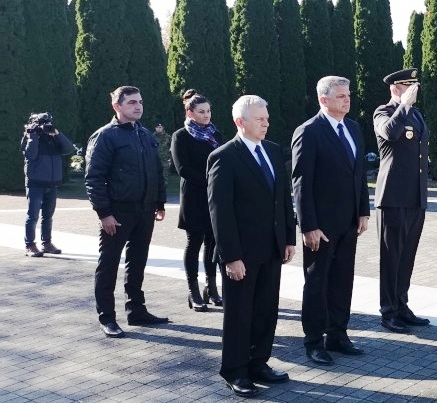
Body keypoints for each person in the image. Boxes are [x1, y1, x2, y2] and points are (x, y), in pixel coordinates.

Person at [208, 95, 296, 396]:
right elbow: (220, 211)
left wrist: (288, 238)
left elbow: (283, 198)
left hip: (271, 248)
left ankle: (259, 363)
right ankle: (235, 370)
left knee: (266, 311)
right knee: (239, 314)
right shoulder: (224, 156)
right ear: (240, 122)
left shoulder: (272, 151)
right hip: (241, 254)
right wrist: (231, 257)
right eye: (260, 119)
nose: (266, 123)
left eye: (266, 118)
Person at [293, 76, 370, 366]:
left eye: (348, 95)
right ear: (323, 100)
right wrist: (308, 225)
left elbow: (358, 173)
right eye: (340, 96)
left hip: (348, 222)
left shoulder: (353, 128)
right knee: (317, 283)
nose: (347, 100)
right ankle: (314, 341)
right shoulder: (309, 131)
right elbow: (301, 182)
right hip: (321, 226)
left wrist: (363, 210)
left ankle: (338, 334)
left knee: (342, 280)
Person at [85, 86, 169, 339]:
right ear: (117, 106)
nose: (138, 106)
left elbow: (157, 171)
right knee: (108, 264)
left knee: (138, 261)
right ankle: (107, 318)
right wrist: (104, 213)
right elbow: (94, 178)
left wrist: (160, 202)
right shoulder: (105, 136)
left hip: (145, 210)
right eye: (132, 102)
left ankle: (136, 310)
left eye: (140, 101)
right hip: (117, 212)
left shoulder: (145, 134)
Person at [372, 68, 431, 334]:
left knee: (407, 255)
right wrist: (403, 106)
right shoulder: (383, 112)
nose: (414, 91)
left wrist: (408, 109)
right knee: (391, 256)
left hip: (415, 197)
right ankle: (389, 311)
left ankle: (402, 305)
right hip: (393, 197)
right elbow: (389, 133)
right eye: (409, 86)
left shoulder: (416, 115)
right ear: (396, 88)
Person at [171, 92, 225, 312]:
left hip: (214, 198)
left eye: (208, 111)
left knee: (212, 244)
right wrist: (211, 179)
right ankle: (193, 291)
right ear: (190, 112)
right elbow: (182, 168)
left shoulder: (215, 134)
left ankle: (211, 288)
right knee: (194, 242)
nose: (206, 115)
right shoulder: (181, 136)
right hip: (194, 196)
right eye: (201, 112)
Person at [21, 113, 75, 257]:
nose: (45, 126)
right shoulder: (29, 137)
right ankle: (30, 245)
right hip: (35, 183)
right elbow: (31, 155)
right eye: (42, 123)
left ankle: (47, 243)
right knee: (33, 216)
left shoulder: (53, 138)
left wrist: (57, 134)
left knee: (48, 216)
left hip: (52, 184)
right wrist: (32, 135)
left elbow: (69, 149)